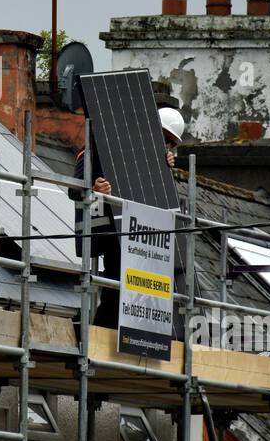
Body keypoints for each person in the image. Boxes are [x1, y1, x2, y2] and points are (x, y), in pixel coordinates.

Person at [73, 106, 187, 327]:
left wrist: (165, 170)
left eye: (172, 144)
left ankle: (126, 336)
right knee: (116, 287)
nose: (167, 146)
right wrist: (93, 188)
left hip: (138, 236)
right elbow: (74, 189)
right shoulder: (102, 146)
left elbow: (158, 200)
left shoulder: (150, 163)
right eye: (165, 139)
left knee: (139, 294)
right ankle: (100, 335)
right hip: (108, 230)